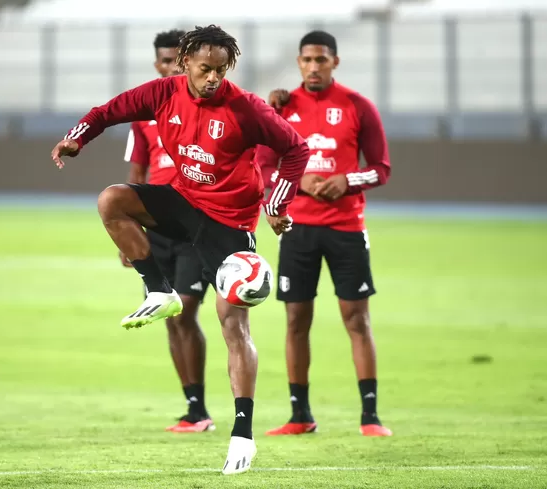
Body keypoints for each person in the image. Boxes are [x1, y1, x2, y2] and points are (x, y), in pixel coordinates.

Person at [51, 25, 309, 475]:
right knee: (112, 200)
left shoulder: (246, 108)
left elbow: (295, 148)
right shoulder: (162, 93)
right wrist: (77, 137)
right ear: (185, 61)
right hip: (185, 203)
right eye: (205, 68)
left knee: (234, 325)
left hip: (229, 224)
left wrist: (277, 202)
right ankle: (158, 290)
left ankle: (242, 432)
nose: (213, 78)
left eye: (221, 70)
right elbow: (107, 111)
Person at [256, 30, 393, 438]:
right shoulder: (280, 109)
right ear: (298, 63)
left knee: (357, 319)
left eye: (321, 60)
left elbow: (381, 169)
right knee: (296, 319)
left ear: (335, 62)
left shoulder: (358, 106)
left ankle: (370, 417)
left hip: (346, 228)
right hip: (297, 230)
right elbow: (263, 168)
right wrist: (300, 182)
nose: (313, 67)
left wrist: (347, 180)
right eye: (307, 60)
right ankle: (300, 415)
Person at [121, 29, 213, 433]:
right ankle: (194, 409)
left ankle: (201, 407)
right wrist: (130, 232)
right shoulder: (145, 114)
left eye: (179, 59)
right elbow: (137, 173)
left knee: (186, 309)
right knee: (170, 316)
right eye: (165, 61)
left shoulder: (207, 107)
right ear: (156, 65)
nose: (172, 67)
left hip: (196, 223)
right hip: (156, 227)